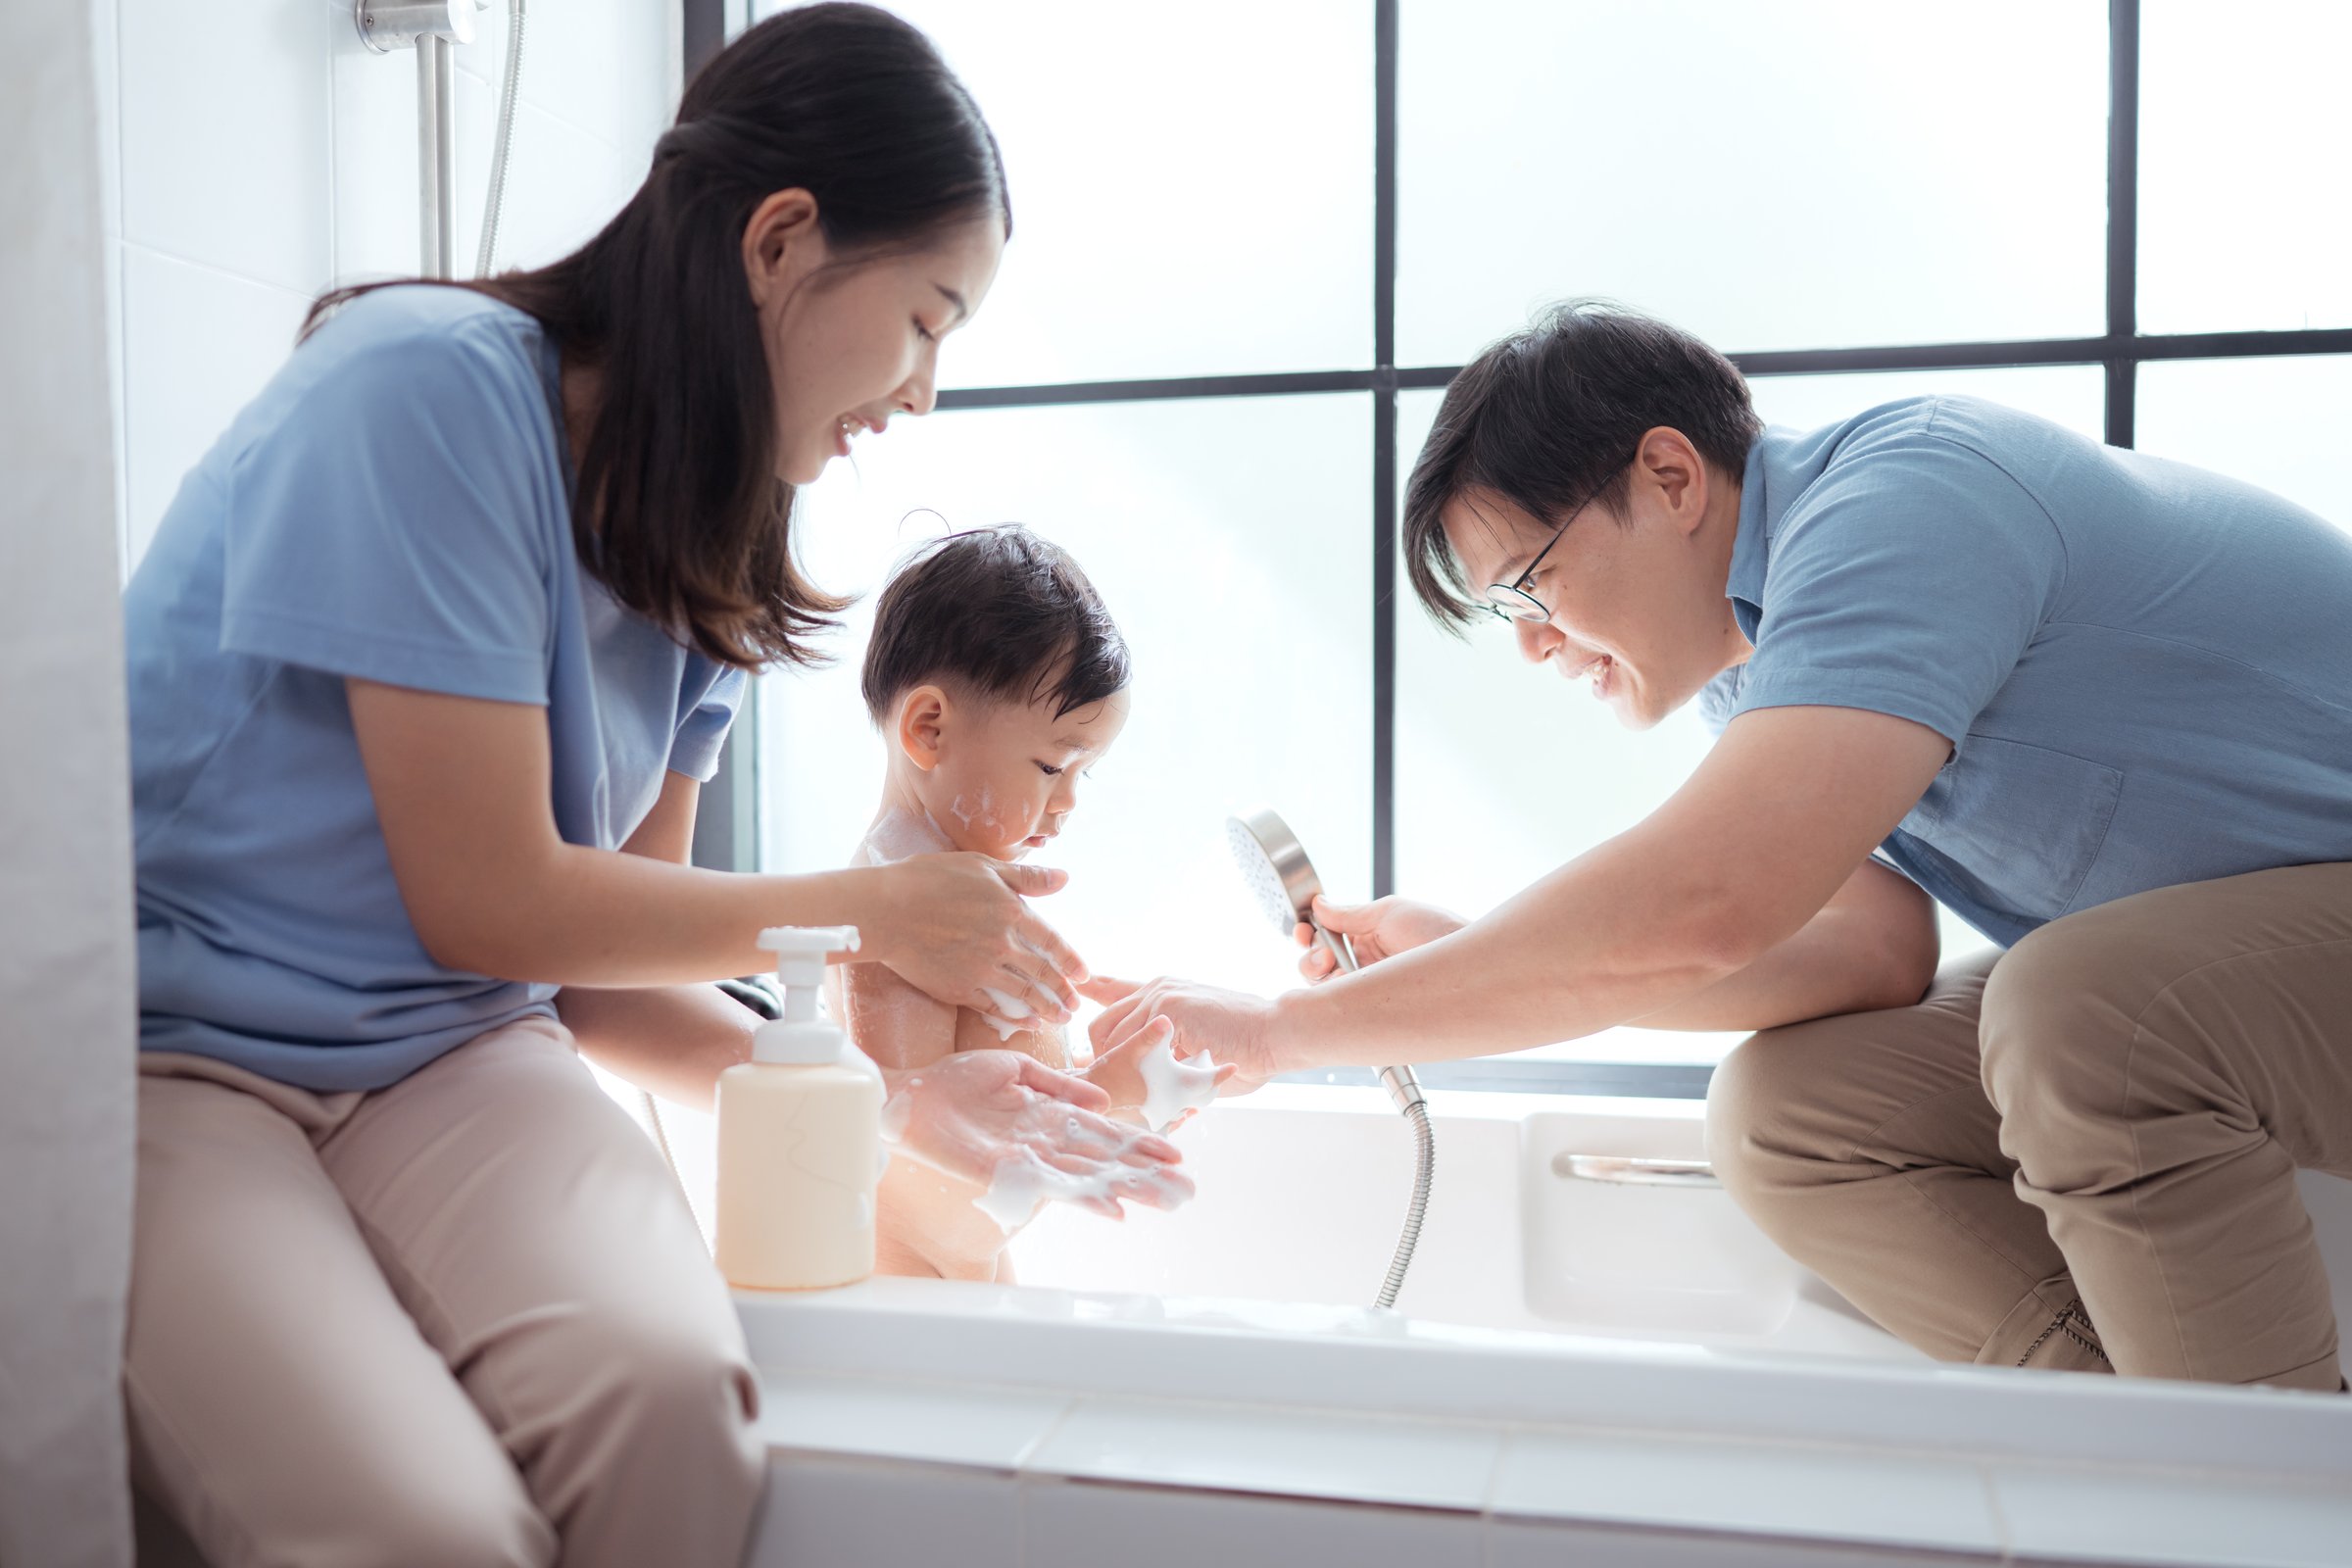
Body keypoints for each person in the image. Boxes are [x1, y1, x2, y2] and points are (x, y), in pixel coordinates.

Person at [119, 9, 1189, 1566]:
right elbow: (489, 895)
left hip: (454, 1058)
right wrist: (878, 918)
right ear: (780, 242)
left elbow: (606, 984)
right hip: (175, 1059)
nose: (925, 393)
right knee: (417, 1527)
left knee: (681, 1403)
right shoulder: (423, 390)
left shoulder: (717, 552)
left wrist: (900, 1108)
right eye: (928, 319)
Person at [1086, 299, 2352, 1393]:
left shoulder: (1907, 502)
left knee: (2082, 1011)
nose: (1529, 641)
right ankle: (2164, 1447)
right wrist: (1472, 955)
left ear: (1672, 478)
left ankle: (2271, 1512)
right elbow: (1863, 948)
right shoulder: (1772, 666)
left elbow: (1703, 905)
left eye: (1527, 582)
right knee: (1792, 1112)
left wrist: (1280, 1033)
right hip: (2280, 978)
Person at [831, 525, 1226, 1282]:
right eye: (1051, 765)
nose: (1069, 801)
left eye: (1085, 773)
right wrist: (1112, 1090)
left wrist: (1115, 1069)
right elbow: (928, 1171)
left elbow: (999, 1087)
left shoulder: (962, 899)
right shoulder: (898, 916)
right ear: (929, 729)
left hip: (961, 1275)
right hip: (905, 1284)